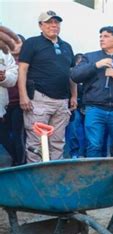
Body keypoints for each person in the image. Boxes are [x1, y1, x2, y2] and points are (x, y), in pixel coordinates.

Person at [71, 26, 113, 158]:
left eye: (106, 36)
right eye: (100, 36)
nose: (102, 39)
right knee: (94, 145)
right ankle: (96, 177)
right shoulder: (90, 57)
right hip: (94, 108)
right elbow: (75, 75)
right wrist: (96, 65)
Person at [18, 10, 77, 163]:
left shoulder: (67, 46)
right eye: (49, 22)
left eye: (56, 22)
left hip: (62, 102)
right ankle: (36, 178)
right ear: (40, 25)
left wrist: (74, 96)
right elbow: (22, 70)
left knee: (58, 142)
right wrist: (23, 95)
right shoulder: (32, 43)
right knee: (36, 142)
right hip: (39, 99)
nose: (53, 25)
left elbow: (71, 73)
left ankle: (54, 177)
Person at [0, 34, 23, 166]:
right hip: (6, 105)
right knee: (4, 135)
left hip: (17, 104)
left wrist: (4, 78)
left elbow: (12, 79)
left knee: (17, 135)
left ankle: (19, 162)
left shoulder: (24, 62)